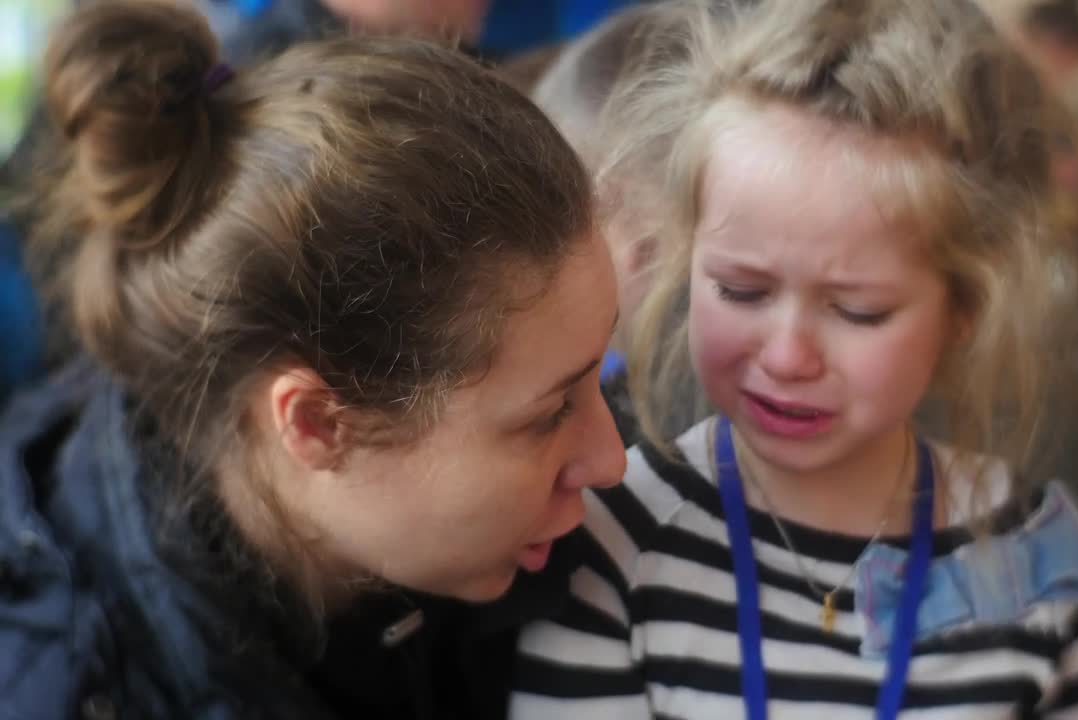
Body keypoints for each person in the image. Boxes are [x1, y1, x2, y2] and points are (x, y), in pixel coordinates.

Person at [0, 1, 625, 717]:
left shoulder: (572, 558)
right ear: (320, 423)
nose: (612, 461)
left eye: (602, 372)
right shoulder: (62, 686)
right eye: (549, 416)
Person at [510, 1, 1078, 718]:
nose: (789, 356)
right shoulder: (613, 537)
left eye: (857, 311)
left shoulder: (1032, 558)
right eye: (740, 290)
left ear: (964, 310)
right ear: (681, 260)